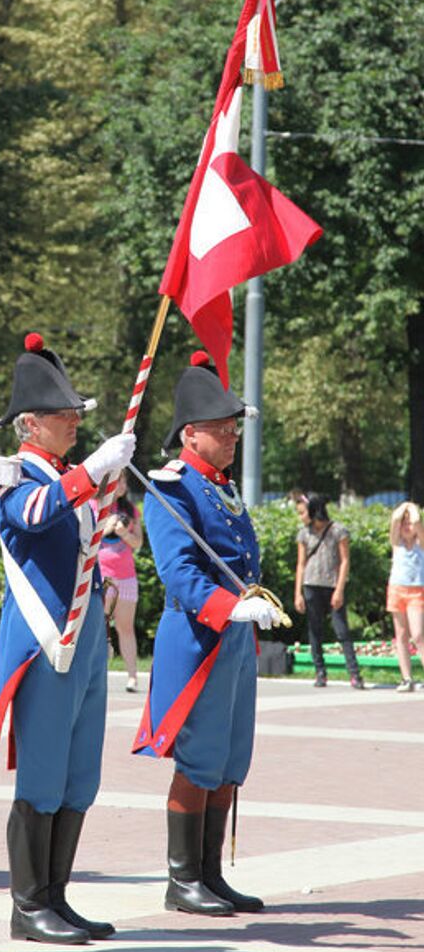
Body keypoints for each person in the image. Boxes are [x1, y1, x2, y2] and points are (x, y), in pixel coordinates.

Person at [0, 332, 135, 944]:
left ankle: (56, 895)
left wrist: (101, 479)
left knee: (80, 775)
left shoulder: (75, 475)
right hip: (47, 637)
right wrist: (94, 472)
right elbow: (32, 513)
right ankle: (28, 906)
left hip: (86, 633)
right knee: (43, 774)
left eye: (74, 412)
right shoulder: (14, 473)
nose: (74, 421)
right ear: (30, 423)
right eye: (62, 414)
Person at [133, 351, 276, 916]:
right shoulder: (173, 487)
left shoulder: (221, 485)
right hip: (198, 637)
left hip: (235, 638)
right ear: (191, 435)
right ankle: (182, 877)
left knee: (230, 759)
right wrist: (228, 607)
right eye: (221, 429)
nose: (232, 437)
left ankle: (211, 873)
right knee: (198, 758)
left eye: (233, 427)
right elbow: (179, 572)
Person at [294, 492, 363, 689]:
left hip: (332, 586)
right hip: (310, 584)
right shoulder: (304, 533)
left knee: (342, 631)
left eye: (302, 512)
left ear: (314, 511)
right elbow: (300, 564)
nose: (301, 517)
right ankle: (320, 673)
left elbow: (345, 561)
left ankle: (354, 674)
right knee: (315, 631)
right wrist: (298, 593)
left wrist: (340, 589)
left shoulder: (338, 530)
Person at [96, 473, 143, 691]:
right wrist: (106, 529)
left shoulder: (131, 510)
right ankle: (96, 674)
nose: (122, 486)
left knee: (125, 628)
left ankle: (132, 677)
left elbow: (138, 543)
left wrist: (124, 533)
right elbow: (86, 541)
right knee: (98, 629)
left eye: (124, 481)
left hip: (126, 577)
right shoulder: (92, 505)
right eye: (119, 480)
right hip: (101, 577)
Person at [387, 501, 424, 692]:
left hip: (416, 591)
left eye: (409, 523)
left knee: (418, 635)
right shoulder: (396, 543)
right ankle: (406, 678)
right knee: (401, 635)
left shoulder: (421, 542)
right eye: (404, 523)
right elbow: (394, 518)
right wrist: (403, 509)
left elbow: (418, 521)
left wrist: (412, 509)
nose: (407, 526)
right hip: (396, 589)